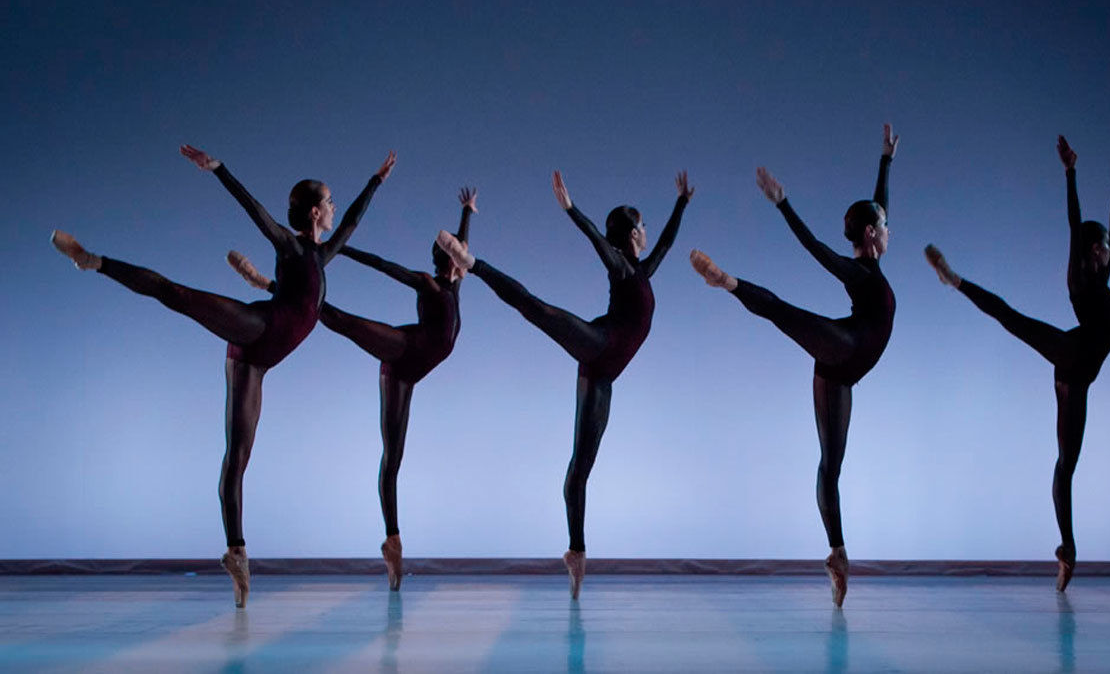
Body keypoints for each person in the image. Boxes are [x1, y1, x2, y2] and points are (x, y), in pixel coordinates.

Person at [51, 145, 395, 607]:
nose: (334, 209)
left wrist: (375, 181)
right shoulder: (290, 246)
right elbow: (256, 212)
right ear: (314, 211)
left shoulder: (322, 252)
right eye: (329, 202)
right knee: (178, 295)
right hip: (258, 327)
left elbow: (351, 220)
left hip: (258, 361)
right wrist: (219, 169)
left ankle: (237, 554)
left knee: (238, 456)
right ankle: (93, 260)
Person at [436, 171, 693, 598]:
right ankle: (473, 263)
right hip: (598, 342)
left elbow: (665, 241)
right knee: (537, 309)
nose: (647, 234)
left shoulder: (643, 270)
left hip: (603, 375)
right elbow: (598, 241)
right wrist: (573, 210)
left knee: (581, 467)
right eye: (641, 226)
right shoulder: (621, 266)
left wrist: (682, 202)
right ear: (630, 233)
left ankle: (576, 552)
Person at [689, 124, 900, 607]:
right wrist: (783, 204)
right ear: (871, 235)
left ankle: (837, 554)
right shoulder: (858, 271)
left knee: (831, 465)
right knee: (786, 313)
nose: (891, 230)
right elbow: (816, 249)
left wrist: (886, 160)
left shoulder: (872, 261)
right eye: (886, 228)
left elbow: (879, 207)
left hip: (840, 375)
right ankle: (730, 283)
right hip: (844, 347)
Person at [228, 188, 477, 590]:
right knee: (342, 321)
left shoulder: (454, 287)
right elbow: (383, 265)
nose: (465, 257)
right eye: (459, 254)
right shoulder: (428, 284)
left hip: (408, 375)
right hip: (402, 350)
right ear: (451, 261)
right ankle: (270, 286)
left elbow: (463, 248)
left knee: (394, 455)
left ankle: (392, 543)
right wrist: (340, 249)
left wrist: (466, 211)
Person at [924, 136, 1110, 591]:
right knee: (1011, 319)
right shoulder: (1081, 277)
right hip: (1072, 356)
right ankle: (955, 280)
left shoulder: (1101, 274)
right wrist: (1071, 173)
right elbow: (1075, 224)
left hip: (1076, 374)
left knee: (1066, 465)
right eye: (1105, 245)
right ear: (1093, 249)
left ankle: (1067, 551)